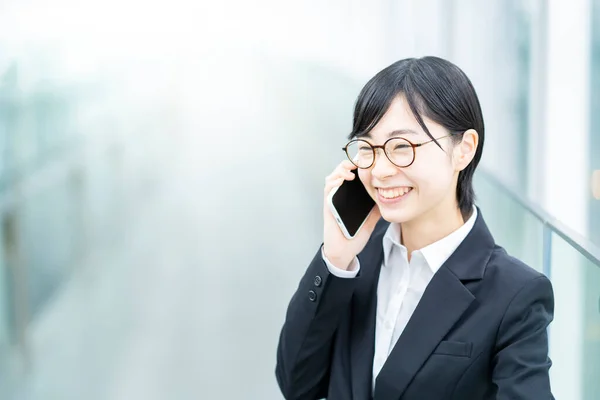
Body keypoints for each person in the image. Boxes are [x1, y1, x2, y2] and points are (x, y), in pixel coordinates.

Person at [275, 56, 554, 400]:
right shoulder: (356, 261)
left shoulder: (515, 294)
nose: (380, 170)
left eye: (401, 147)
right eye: (369, 148)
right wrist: (335, 259)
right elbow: (296, 383)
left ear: (463, 150)